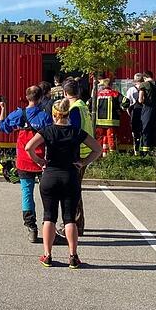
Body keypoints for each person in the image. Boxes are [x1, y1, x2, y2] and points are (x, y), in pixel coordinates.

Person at [25, 98, 102, 268]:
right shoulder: (76, 132)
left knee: (49, 216)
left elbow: (28, 147)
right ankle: (73, 256)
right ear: (68, 114)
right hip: (70, 177)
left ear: (54, 114)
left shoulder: (47, 131)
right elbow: (97, 149)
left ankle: (47, 255)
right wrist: (83, 162)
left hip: (50, 177)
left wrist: (40, 161)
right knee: (69, 218)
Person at [0, 85, 54, 243]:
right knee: (48, 195)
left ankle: (31, 228)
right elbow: (52, 138)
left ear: (27, 97)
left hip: (23, 161)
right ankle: (49, 227)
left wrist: (3, 108)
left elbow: (2, 127)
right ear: (41, 98)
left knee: (27, 194)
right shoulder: (44, 117)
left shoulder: (18, 114)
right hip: (42, 161)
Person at [60, 77, 93, 237]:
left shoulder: (74, 109)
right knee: (75, 189)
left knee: (72, 191)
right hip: (85, 151)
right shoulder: (82, 105)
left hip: (77, 154)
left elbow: (73, 133)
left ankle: (74, 224)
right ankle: (77, 223)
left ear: (65, 92)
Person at [95, 78, 122, 156]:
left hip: (99, 122)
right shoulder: (115, 93)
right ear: (111, 85)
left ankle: (99, 156)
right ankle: (112, 157)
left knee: (100, 139)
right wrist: (120, 110)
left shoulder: (98, 94)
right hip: (111, 122)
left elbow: (88, 103)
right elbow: (125, 101)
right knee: (111, 139)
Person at [138, 71, 156, 155]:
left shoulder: (144, 84)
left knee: (145, 129)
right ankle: (154, 151)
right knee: (155, 130)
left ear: (144, 77)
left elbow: (140, 100)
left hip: (147, 108)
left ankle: (144, 152)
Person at [125, 73, 144, 154]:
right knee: (143, 130)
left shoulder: (131, 90)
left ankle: (136, 149)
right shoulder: (145, 88)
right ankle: (143, 148)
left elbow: (127, 102)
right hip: (144, 111)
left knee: (135, 132)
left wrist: (128, 112)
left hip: (134, 112)